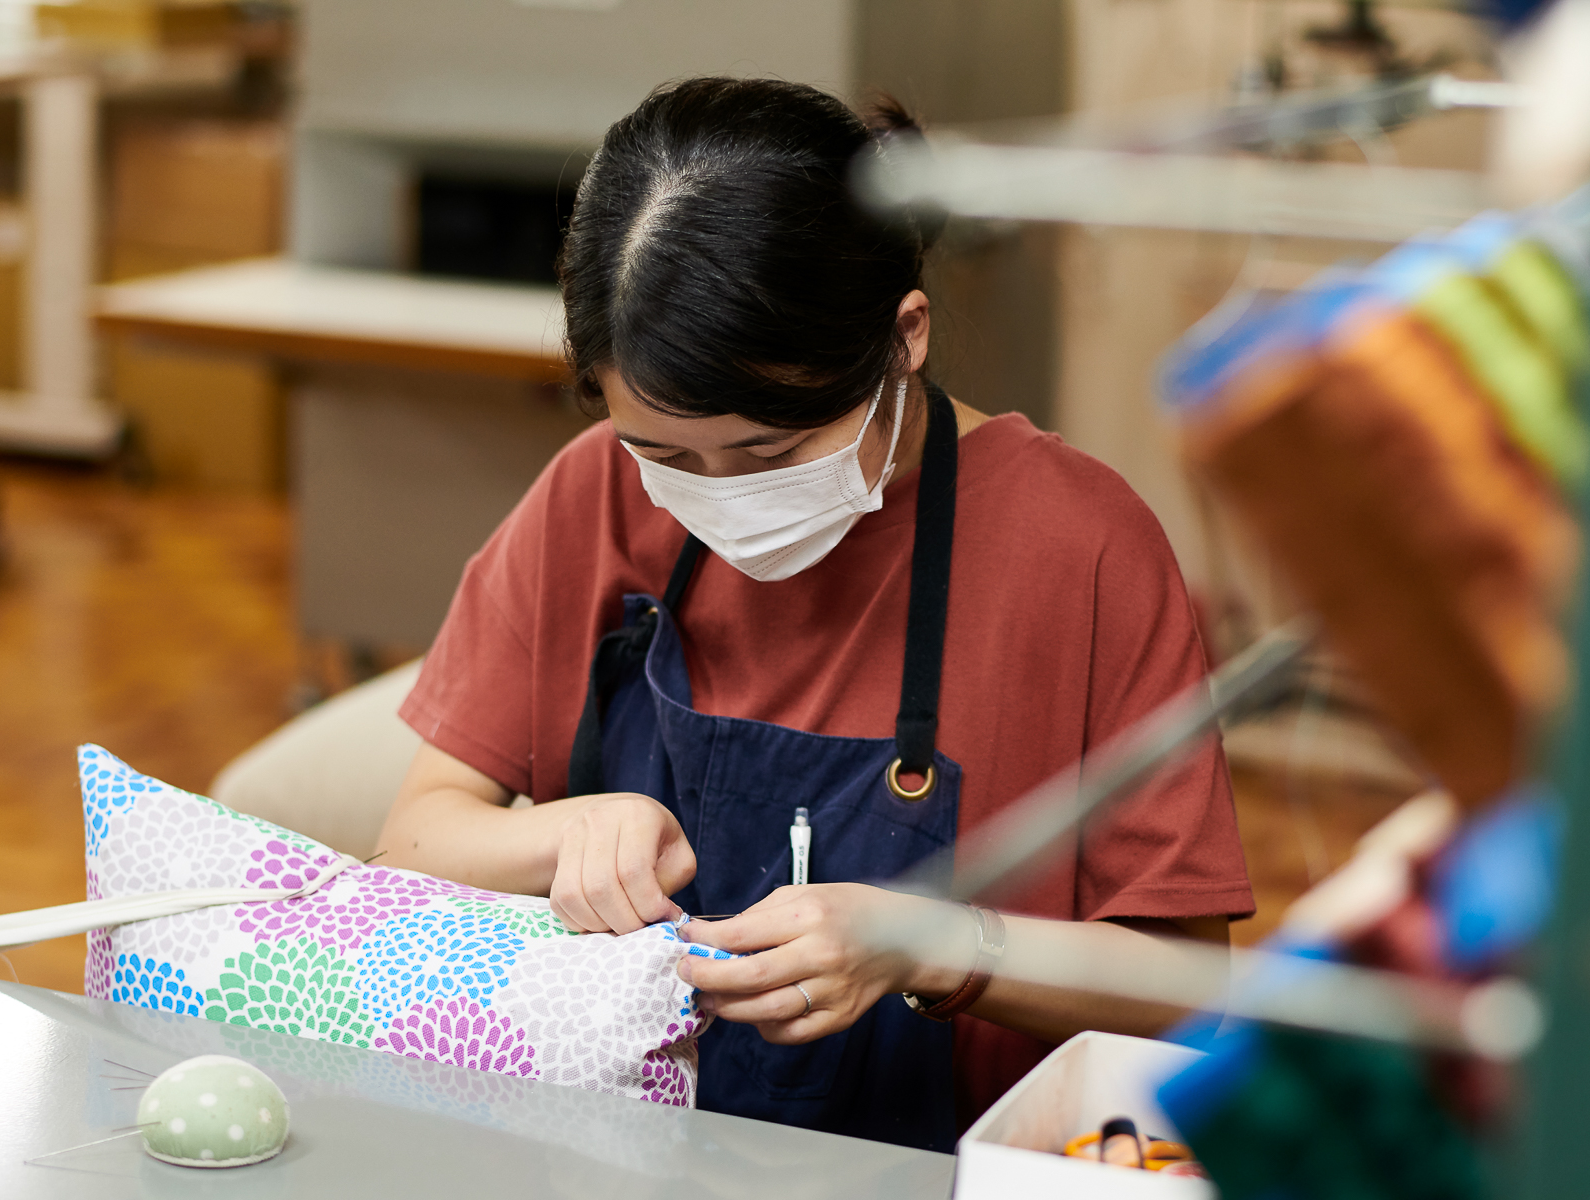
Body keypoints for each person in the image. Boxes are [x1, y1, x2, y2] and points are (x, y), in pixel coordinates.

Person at [376, 77, 1253, 1152]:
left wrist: (935, 946)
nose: (721, 496)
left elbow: (1186, 986)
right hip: (605, 1153)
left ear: (905, 336)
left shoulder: (1080, 548)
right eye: (667, 455)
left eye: (771, 453)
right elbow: (411, 843)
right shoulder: (592, 495)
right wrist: (562, 834)